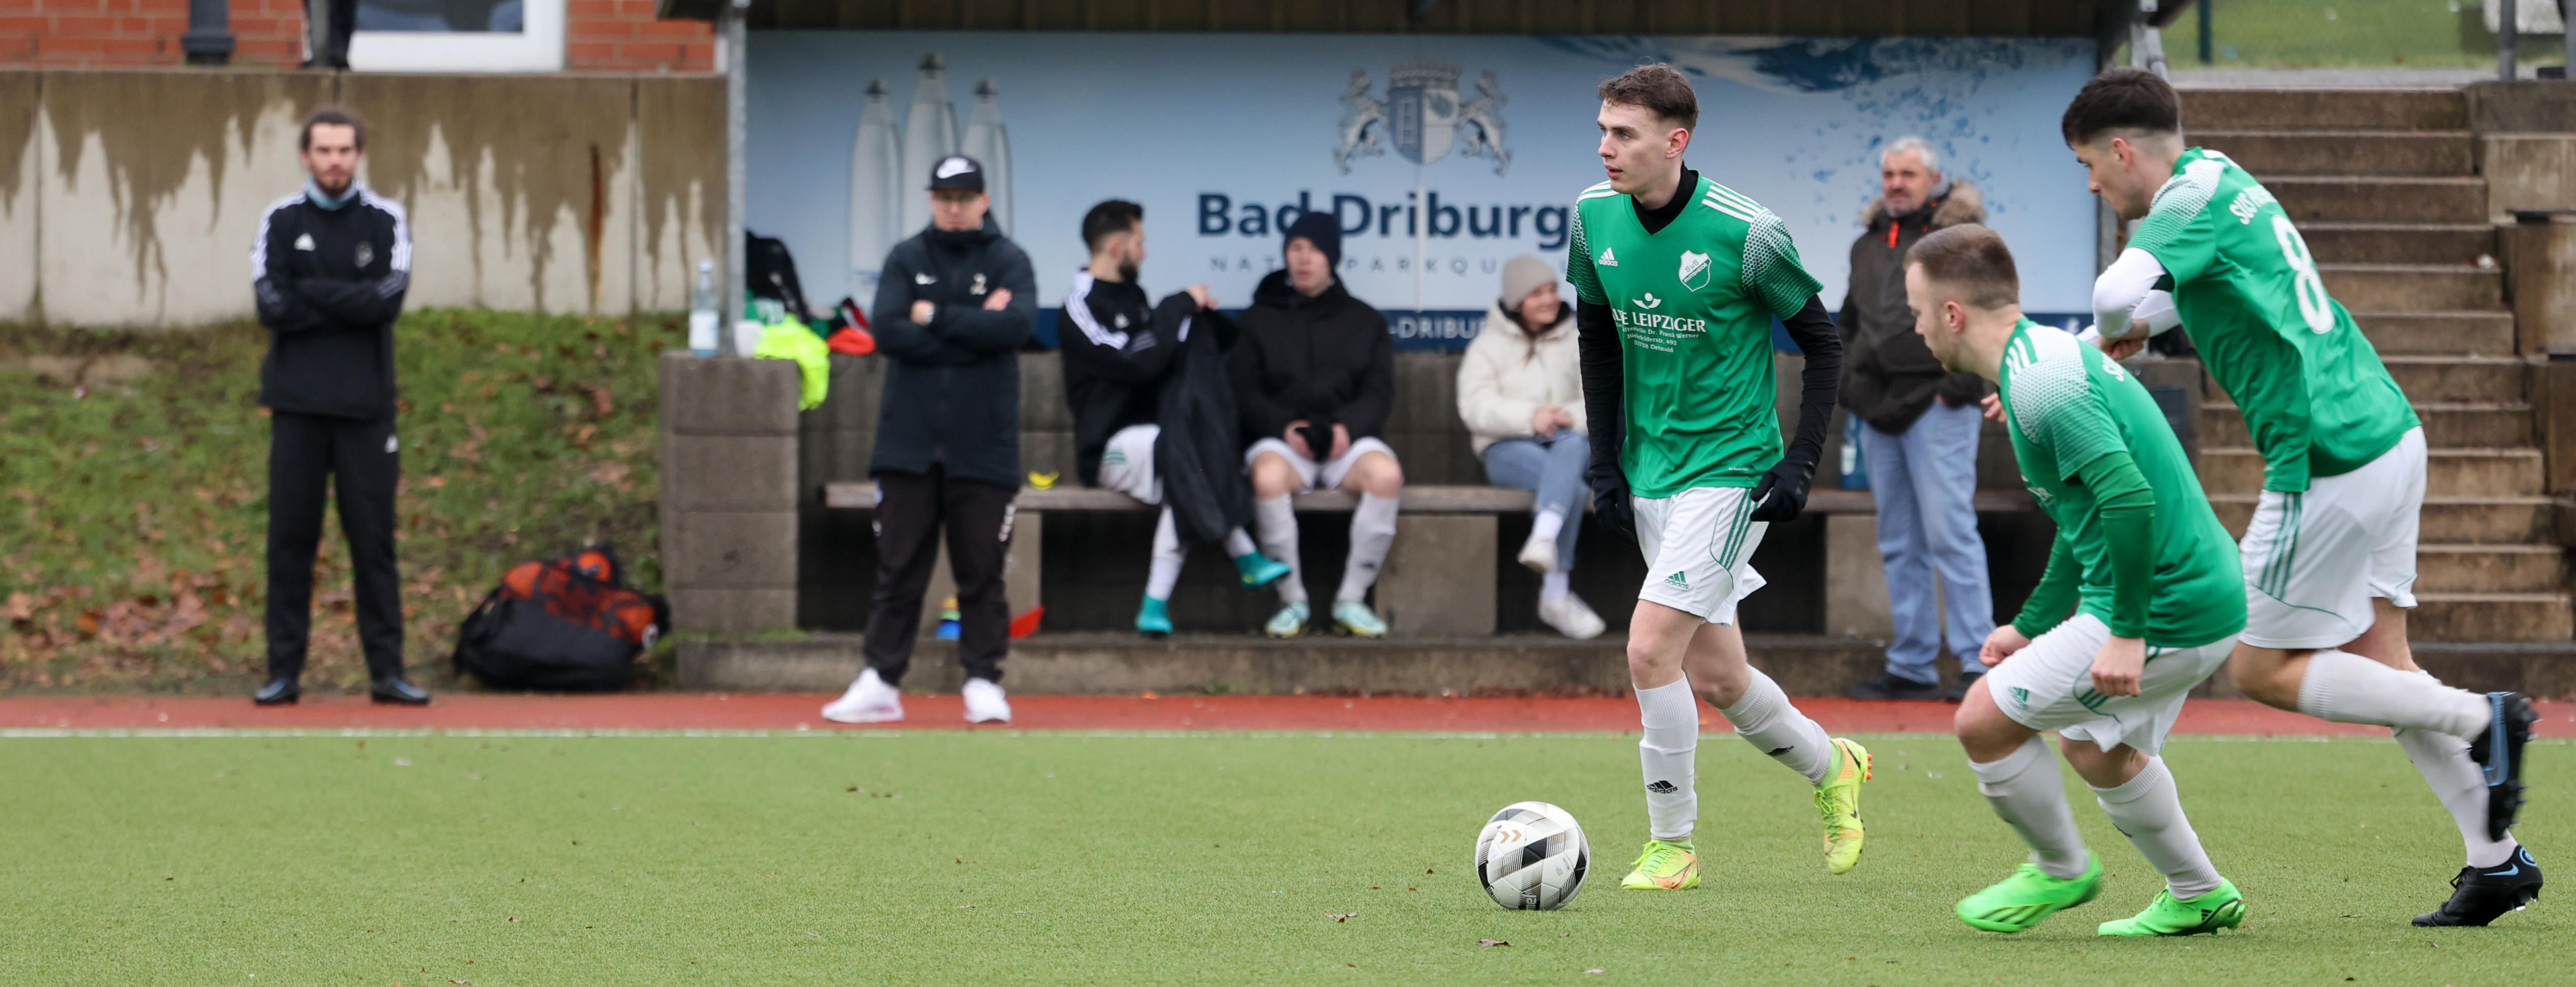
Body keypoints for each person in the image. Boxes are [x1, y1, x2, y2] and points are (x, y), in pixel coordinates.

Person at [2068, 68, 2540, 927]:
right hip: (2384, 427)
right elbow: (2211, 292)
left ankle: (2482, 717)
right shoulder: (2224, 178)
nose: (2092, 186)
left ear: (2121, 149)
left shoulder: (2180, 201)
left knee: (2257, 666)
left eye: (2088, 166)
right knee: (2383, 666)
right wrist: (2127, 335)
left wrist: (2104, 331)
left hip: (2325, 454)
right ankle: (2495, 859)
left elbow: (2112, 292)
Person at [1566, 64, 1867, 891]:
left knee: (1647, 648)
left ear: (1675, 141)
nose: (1605, 148)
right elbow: (1596, 337)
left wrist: (1799, 460)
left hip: (1729, 470)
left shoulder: (1749, 232)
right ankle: (1834, 765)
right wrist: (1603, 460)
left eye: (1623, 134)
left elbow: (1823, 344)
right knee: (1719, 677)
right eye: (1602, 130)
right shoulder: (1592, 216)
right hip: (1650, 470)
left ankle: (1673, 843)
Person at [1909, 224, 2247, 936]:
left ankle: (2060, 867)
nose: (1915, 327)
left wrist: (2126, 631)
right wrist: (2031, 623)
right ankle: (2198, 892)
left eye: (1917, 311)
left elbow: (2126, 498)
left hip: (2166, 605)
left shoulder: (2040, 381)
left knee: (1981, 720)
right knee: (2095, 747)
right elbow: (2082, 512)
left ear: (1951, 313)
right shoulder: (2039, 361)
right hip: (2197, 592)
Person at [822, 154, 1036, 726]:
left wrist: (934, 316)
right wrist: (972, 328)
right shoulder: (906, 257)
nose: (954, 207)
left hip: (984, 449)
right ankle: (880, 680)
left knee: (982, 573)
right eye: (944, 197)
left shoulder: (1009, 261)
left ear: (984, 200)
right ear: (930, 200)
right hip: (908, 446)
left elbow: (1015, 328)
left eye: (964, 197)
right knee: (897, 570)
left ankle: (983, 681)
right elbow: (890, 331)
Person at [247, 107, 424, 707]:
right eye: (323, 150)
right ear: (306, 156)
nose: (334, 161)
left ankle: (387, 673)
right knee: (290, 542)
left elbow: (386, 301)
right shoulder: (280, 218)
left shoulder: (386, 219)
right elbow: (271, 305)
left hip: (365, 410)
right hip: (297, 407)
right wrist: (347, 301)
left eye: (344, 150)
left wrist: (310, 292)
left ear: (359, 154)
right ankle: (283, 673)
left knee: (373, 544)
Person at [1057, 200, 1293, 636]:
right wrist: (1177, 304)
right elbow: (1135, 361)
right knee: (1182, 453)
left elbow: (1163, 354)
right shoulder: (1079, 306)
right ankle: (1243, 553)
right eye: (1139, 242)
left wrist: (1195, 317)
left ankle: (1155, 605)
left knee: (1187, 451)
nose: (1144, 252)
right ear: (1116, 246)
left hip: (1162, 441)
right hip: (1108, 449)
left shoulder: (1137, 300)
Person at [1839, 136, 1997, 703]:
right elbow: (1850, 321)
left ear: (1933, 179)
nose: (1895, 184)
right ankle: (1912, 662)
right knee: (1897, 541)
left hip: (1937, 402)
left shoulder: (1960, 241)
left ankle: (1979, 660)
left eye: (1907, 174)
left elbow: (1987, 314)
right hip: (1877, 408)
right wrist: (1849, 383)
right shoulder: (1866, 243)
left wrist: (1958, 387)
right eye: (1888, 174)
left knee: (1949, 533)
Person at [1230, 212, 1403, 639]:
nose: (1304, 259)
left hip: (1347, 442)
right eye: (1295, 248)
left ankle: (1351, 600)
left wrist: (1347, 428)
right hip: (1283, 441)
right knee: (1267, 478)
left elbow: (1379, 392)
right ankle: (1293, 602)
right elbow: (1244, 392)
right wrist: (1284, 428)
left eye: (1315, 250)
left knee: (1386, 476)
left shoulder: (1365, 320)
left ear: (1333, 258)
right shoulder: (1258, 319)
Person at [1456, 255, 1604, 640]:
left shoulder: (1576, 339)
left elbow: (1602, 397)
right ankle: (1555, 594)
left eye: (1553, 290)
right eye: (1537, 293)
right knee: (1570, 488)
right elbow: (1474, 407)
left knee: (1571, 451)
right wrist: (1530, 417)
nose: (1550, 299)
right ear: (1517, 300)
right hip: (1507, 448)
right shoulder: (1487, 347)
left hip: (1569, 441)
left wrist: (1564, 417)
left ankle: (1543, 538)